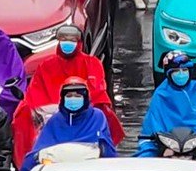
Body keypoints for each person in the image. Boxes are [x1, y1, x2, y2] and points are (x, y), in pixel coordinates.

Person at [14, 23, 124, 159]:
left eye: (72, 40)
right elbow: (35, 93)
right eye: (64, 40)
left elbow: (98, 91)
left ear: (79, 43)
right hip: (51, 114)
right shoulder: (46, 65)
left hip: (86, 112)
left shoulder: (91, 63)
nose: (67, 43)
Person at [22, 78, 118, 171]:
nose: (73, 99)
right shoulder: (55, 120)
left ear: (85, 98)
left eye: (77, 96)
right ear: (63, 99)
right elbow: (37, 153)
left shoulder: (97, 116)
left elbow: (107, 151)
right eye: (69, 96)